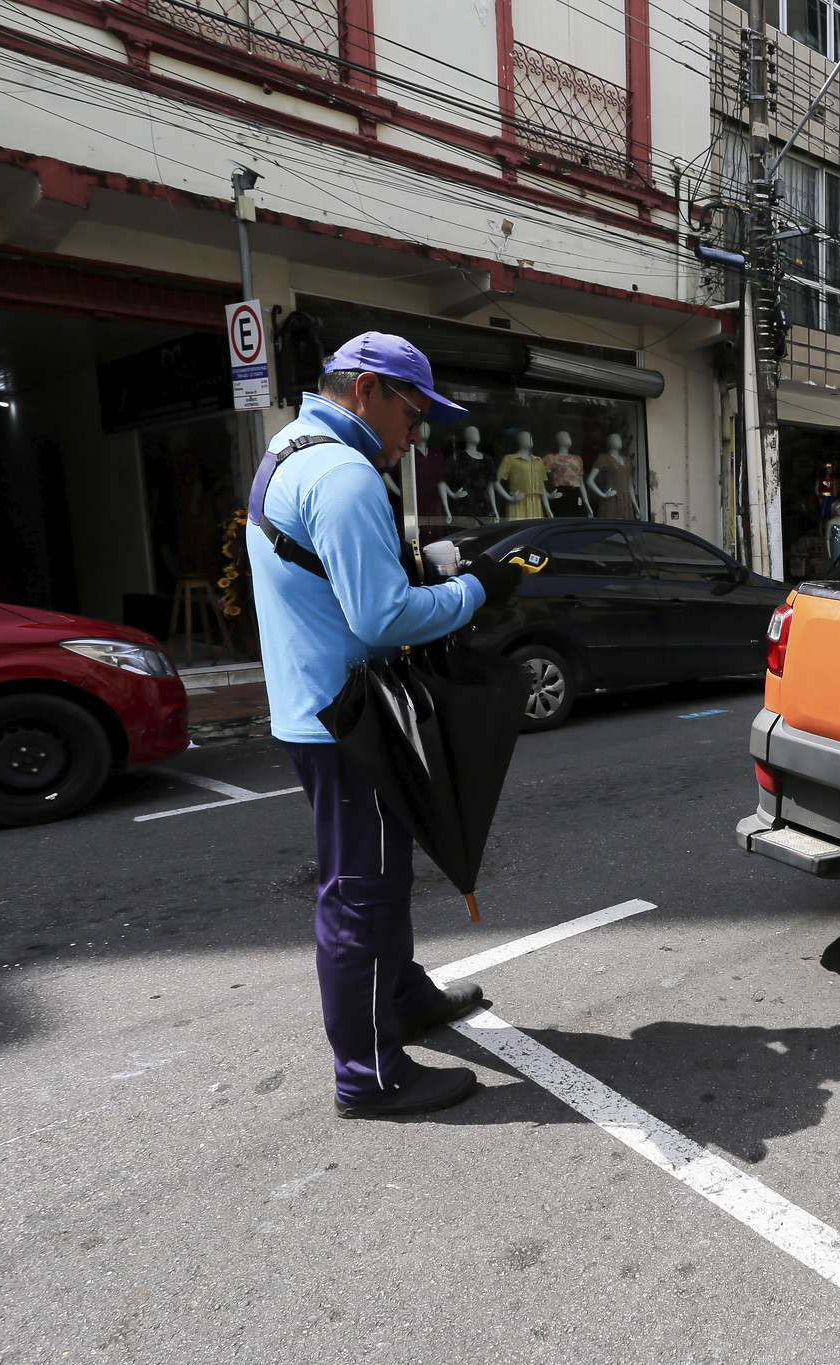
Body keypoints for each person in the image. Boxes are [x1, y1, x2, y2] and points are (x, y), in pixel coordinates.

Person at [250, 331, 527, 1118]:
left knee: (382, 878)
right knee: (363, 895)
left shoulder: (290, 449)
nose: (417, 433)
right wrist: (477, 588)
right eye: (413, 412)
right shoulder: (344, 475)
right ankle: (369, 1074)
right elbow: (381, 619)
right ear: (367, 389)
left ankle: (402, 996)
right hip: (351, 721)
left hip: (318, 706)